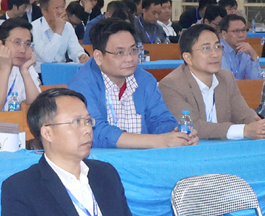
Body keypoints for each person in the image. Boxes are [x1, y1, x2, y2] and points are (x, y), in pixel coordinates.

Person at [0, 89, 149, 216]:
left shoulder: (105, 173)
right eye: (76, 122)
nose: (87, 130)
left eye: (88, 121)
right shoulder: (22, 188)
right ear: (47, 133)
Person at [68, 18, 191, 149]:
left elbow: (160, 119)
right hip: (100, 159)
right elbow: (94, 131)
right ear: (98, 57)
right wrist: (156, 141)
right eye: (120, 53)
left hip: (142, 157)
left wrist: (176, 135)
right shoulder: (81, 85)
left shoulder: (145, 80)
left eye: (133, 50)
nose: (130, 58)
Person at [158, 24, 265, 140]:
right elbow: (191, 126)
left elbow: (244, 115)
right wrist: (244, 130)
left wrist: (259, 126)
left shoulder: (226, 77)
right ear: (188, 57)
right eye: (206, 48)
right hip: (193, 148)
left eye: (217, 47)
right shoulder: (171, 85)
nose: (215, 54)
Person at [34, 0, 89, 64]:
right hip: (40, 69)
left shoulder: (67, 26)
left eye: (63, 7)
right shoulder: (34, 28)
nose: (61, 11)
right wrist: (58, 31)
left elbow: (75, 48)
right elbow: (47, 58)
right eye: (56, 8)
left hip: (61, 68)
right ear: (44, 11)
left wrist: (81, 56)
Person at [219, 14, 263, 81]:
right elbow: (224, 81)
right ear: (224, 34)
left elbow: (257, 80)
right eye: (236, 31)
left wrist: (254, 56)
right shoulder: (217, 51)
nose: (241, 35)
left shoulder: (246, 51)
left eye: (244, 30)